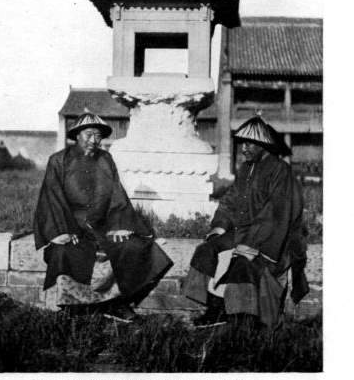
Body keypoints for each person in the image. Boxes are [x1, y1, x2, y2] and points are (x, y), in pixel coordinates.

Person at [33, 111, 173, 323]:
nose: (93, 140)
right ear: (77, 135)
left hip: (103, 225)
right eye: (88, 134)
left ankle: (117, 303)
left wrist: (121, 224)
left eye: (98, 136)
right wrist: (59, 231)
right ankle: (74, 308)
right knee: (63, 251)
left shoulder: (106, 159)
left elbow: (117, 194)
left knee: (132, 247)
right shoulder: (58, 161)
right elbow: (51, 198)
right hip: (71, 225)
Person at [183, 115, 309, 328]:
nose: (244, 148)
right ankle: (215, 310)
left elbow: (276, 214)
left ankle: (241, 319)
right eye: (243, 142)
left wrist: (251, 244)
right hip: (243, 234)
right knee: (206, 250)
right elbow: (231, 200)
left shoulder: (281, 171)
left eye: (249, 143)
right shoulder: (246, 169)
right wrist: (220, 225)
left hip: (274, 241)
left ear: (263, 145)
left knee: (243, 264)